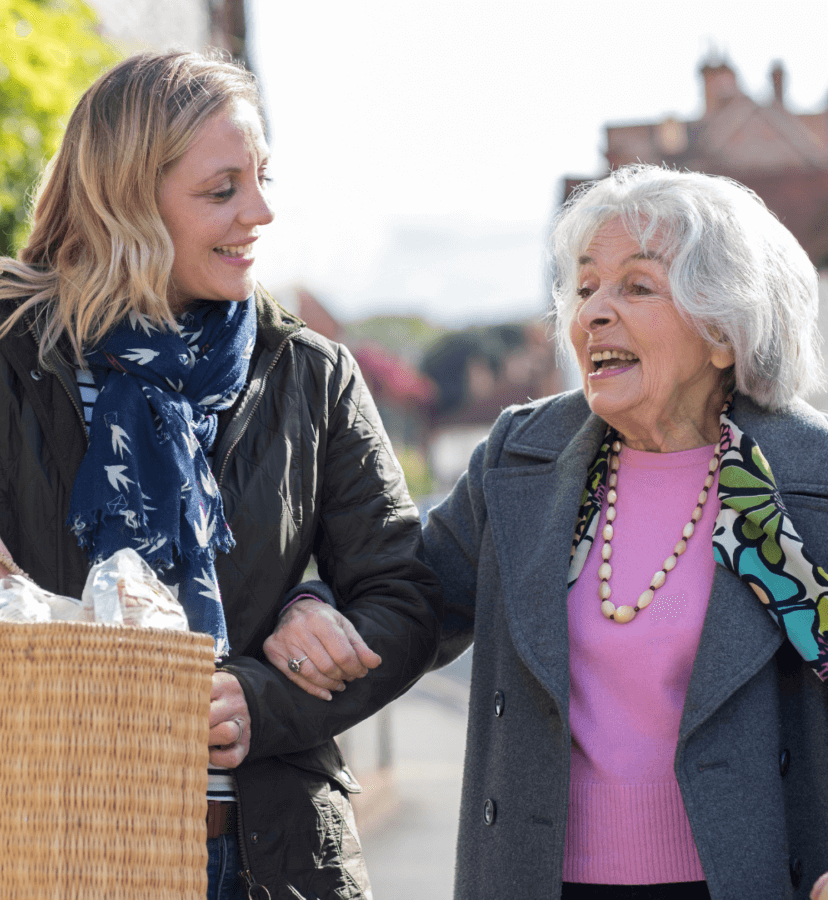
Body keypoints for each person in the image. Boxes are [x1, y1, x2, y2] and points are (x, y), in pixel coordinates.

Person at [0, 51, 441, 900]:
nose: (260, 212)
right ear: (124, 200)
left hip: (263, 858)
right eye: (221, 190)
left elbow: (405, 597)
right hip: (13, 850)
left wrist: (264, 698)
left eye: (261, 178)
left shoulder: (311, 374)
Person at [266, 164, 828, 899]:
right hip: (539, 880)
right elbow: (407, 604)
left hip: (751, 879)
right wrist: (312, 610)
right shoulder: (522, 458)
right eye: (585, 285)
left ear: (723, 329)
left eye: (636, 286)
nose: (594, 312)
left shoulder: (806, 476)